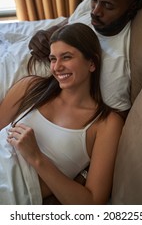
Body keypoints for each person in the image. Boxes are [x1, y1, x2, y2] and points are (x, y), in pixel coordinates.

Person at [0, 23, 124, 205]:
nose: (57, 67)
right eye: (52, 59)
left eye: (66, 57)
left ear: (91, 63)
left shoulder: (105, 124)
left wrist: (37, 157)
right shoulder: (30, 87)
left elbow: (93, 203)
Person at [28, 0, 142, 115]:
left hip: (24, 80)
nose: (95, 11)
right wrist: (44, 35)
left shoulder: (113, 62)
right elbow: (67, 22)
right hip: (19, 54)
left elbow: (113, 119)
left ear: (132, 7)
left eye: (107, 6)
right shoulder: (99, 2)